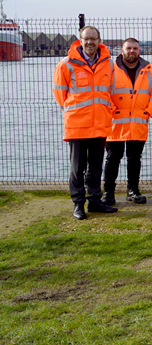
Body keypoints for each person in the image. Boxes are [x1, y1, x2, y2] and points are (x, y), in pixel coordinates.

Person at [52, 26, 118, 220]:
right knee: (77, 168)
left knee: (96, 167)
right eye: (86, 39)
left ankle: (95, 201)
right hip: (77, 125)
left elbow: (111, 91)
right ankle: (78, 204)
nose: (90, 42)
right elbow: (59, 94)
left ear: (99, 40)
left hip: (100, 124)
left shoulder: (109, 63)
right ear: (80, 40)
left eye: (93, 39)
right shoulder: (66, 64)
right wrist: (76, 111)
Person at [101, 38, 152, 205]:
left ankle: (133, 190)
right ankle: (108, 193)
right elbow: (103, 91)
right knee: (113, 158)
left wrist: (149, 111)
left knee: (135, 158)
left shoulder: (148, 70)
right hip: (115, 121)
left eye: (135, 48)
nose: (132, 51)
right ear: (122, 50)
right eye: (129, 48)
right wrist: (112, 109)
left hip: (138, 121)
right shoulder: (111, 68)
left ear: (139, 51)